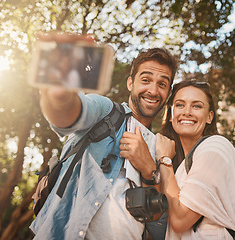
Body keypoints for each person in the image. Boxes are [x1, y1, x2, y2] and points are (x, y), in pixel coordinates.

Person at [29, 32, 178, 240]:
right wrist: (59, 94)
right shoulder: (105, 111)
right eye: (146, 80)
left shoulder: (162, 149)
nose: (153, 90)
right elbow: (69, 115)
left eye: (162, 84)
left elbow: (159, 229)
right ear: (130, 83)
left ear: (168, 93)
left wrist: (149, 171)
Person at [154, 80, 235, 239]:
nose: (187, 112)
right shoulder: (185, 163)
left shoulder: (215, 148)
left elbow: (180, 221)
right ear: (171, 115)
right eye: (180, 105)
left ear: (209, 117)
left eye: (197, 106)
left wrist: (165, 159)